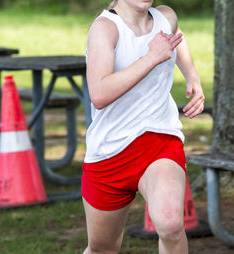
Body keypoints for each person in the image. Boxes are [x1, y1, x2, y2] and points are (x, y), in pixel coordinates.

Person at [82, 0, 204, 253]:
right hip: (110, 151)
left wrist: (192, 75)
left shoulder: (166, 16)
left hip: (160, 141)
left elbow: (177, 38)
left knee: (171, 225)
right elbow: (100, 94)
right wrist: (151, 57)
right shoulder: (105, 28)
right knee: (102, 248)